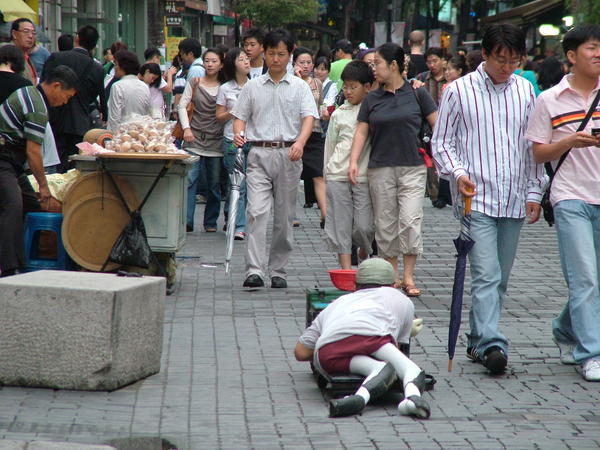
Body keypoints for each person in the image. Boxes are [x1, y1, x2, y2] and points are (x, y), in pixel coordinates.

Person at [432, 24, 547, 375]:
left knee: (500, 278)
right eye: (501, 60)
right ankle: (492, 344)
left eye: (514, 61)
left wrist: (534, 191)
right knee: (486, 274)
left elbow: (532, 146)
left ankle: (476, 338)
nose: (507, 67)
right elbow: (441, 142)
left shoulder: (526, 91)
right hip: (475, 198)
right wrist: (458, 173)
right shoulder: (459, 91)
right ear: (484, 54)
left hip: (513, 197)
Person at [525, 24, 600, 382]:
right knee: (584, 277)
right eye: (592, 48)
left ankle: (565, 329)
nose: (598, 54)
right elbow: (538, 153)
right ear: (571, 56)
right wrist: (570, 141)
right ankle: (592, 353)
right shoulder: (549, 100)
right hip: (570, 196)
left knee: (595, 280)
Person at [232, 29, 319, 289]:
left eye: (281, 54)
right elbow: (240, 116)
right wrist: (239, 134)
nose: (276, 59)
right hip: (258, 153)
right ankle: (254, 270)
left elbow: (308, 118)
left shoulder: (300, 86)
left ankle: (278, 270)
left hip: (289, 154)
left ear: (290, 55)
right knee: (257, 212)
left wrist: (301, 143)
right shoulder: (253, 86)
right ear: (264, 53)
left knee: (283, 216)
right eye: (271, 53)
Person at [349, 43, 437, 297]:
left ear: (394, 66)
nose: (373, 68)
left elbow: (438, 124)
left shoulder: (418, 94)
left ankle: (409, 276)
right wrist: (354, 161)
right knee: (385, 224)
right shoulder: (373, 98)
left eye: (377, 63)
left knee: (410, 221)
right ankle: (393, 277)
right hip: (380, 168)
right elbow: (362, 131)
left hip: (413, 167)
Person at [294, 258, 430, 419]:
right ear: (393, 285)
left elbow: (301, 353)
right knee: (408, 368)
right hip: (373, 338)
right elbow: (400, 349)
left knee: (380, 368)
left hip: (327, 351)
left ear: (355, 286)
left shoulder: (338, 302)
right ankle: (412, 399)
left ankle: (355, 400)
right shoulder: (402, 299)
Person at [0, 65, 78, 276]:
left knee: (31, 205)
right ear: (56, 86)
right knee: (13, 205)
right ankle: (9, 268)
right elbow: (34, 152)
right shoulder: (37, 107)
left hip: (12, 162)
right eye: (67, 96)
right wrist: (43, 186)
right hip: (3, 158)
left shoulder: (31, 93)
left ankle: (27, 259)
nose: (65, 102)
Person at [324, 60, 374, 269]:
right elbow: (330, 147)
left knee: (364, 227)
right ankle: (346, 272)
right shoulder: (338, 114)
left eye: (354, 87)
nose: (348, 91)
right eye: (345, 86)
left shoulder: (373, 110)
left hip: (364, 176)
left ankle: (364, 250)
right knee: (340, 226)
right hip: (337, 175)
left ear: (368, 87)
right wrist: (326, 175)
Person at [41, 25, 106, 173]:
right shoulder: (98, 69)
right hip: (80, 123)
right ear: (94, 45)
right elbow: (94, 97)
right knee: (75, 168)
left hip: (54, 119)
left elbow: (44, 85)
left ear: (77, 38)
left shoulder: (57, 57)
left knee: (53, 164)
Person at [179, 48, 225, 233]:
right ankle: (187, 221)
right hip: (194, 138)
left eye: (214, 61)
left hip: (217, 140)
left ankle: (211, 222)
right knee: (190, 180)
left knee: (214, 184)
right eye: (207, 61)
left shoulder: (226, 86)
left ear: (221, 64)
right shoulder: (195, 82)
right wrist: (186, 129)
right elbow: (182, 106)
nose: (210, 64)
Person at [216, 48, 251, 241]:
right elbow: (219, 117)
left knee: (243, 185)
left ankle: (234, 218)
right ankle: (238, 226)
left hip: (251, 140)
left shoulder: (255, 86)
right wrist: (235, 111)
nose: (246, 62)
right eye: (242, 59)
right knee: (238, 184)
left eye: (247, 59)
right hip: (231, 140)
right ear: (233, 64)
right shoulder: (225, 89)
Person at [293, 47, 326, 227]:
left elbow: (317, 105)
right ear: (294, 64)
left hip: (314, 132)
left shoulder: (317, 83)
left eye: (308, 63)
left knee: (318, 174)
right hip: (295, 134)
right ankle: (290, 215)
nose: (305, 66)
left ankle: (325, 215)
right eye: (301, 63)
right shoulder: (290, 82)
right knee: (291, 176)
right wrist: (298, 79)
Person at [107, 50, 150, 132]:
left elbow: (114, 118)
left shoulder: (117, 86)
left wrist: (111, 137)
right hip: (140, 133)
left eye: (116, 64)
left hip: (122, 136)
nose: (114, 68)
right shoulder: (144, 86)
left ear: (122, 67)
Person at [10, 18, 38, 83]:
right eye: (26, 31)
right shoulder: (6, 53)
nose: (30, 36)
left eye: (33, 33)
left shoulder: (26, 56)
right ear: (14, 34)